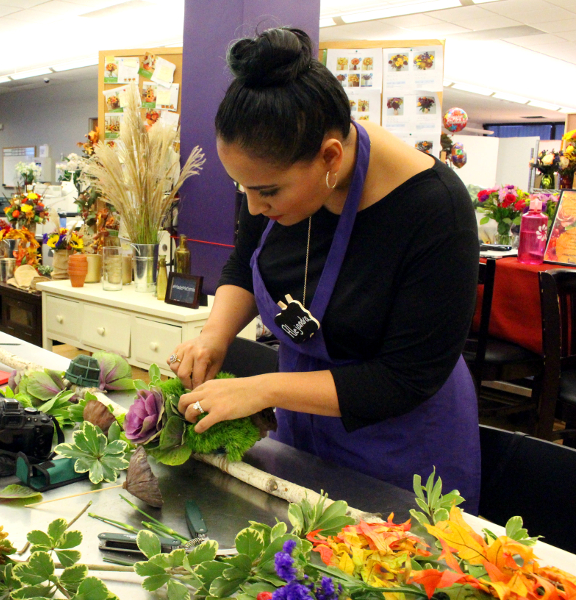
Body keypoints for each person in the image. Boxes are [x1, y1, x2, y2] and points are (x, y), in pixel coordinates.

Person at [170, 28, 481, 511]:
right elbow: (244, 263)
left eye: (267, 193)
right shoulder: (272, 172)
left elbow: (404, 379)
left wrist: (264, 388)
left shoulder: (435, 209)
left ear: (330, 157)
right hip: (303, 420)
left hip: (402, 444)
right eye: (243, 189)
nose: (253, 208)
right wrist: (214, 334)